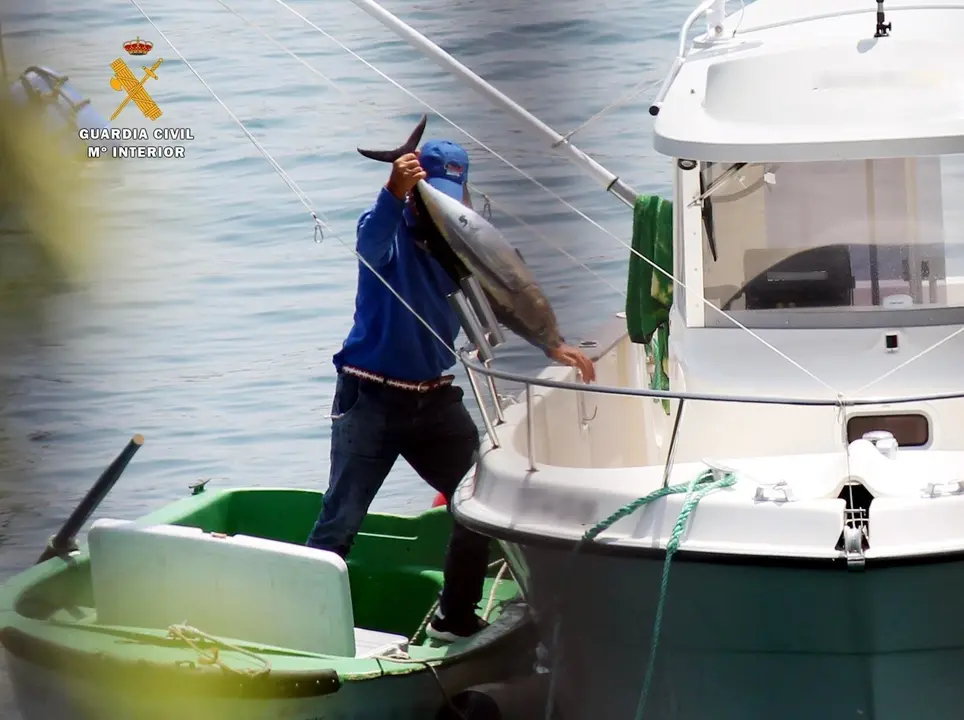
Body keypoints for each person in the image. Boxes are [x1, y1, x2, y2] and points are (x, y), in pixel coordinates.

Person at [306, 138, 596, 642]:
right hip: (370, 397)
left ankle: (454, 618)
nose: (441, 205)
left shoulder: (462, 241)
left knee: (481, 502)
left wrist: (551, 343)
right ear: (415, 195)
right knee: (341, 522)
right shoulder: (386, 231)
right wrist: (392, 190)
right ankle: (295, 621)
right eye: (428, 195)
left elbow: (503, 292)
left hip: (435, 400)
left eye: (449, 194)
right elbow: (369, 242)